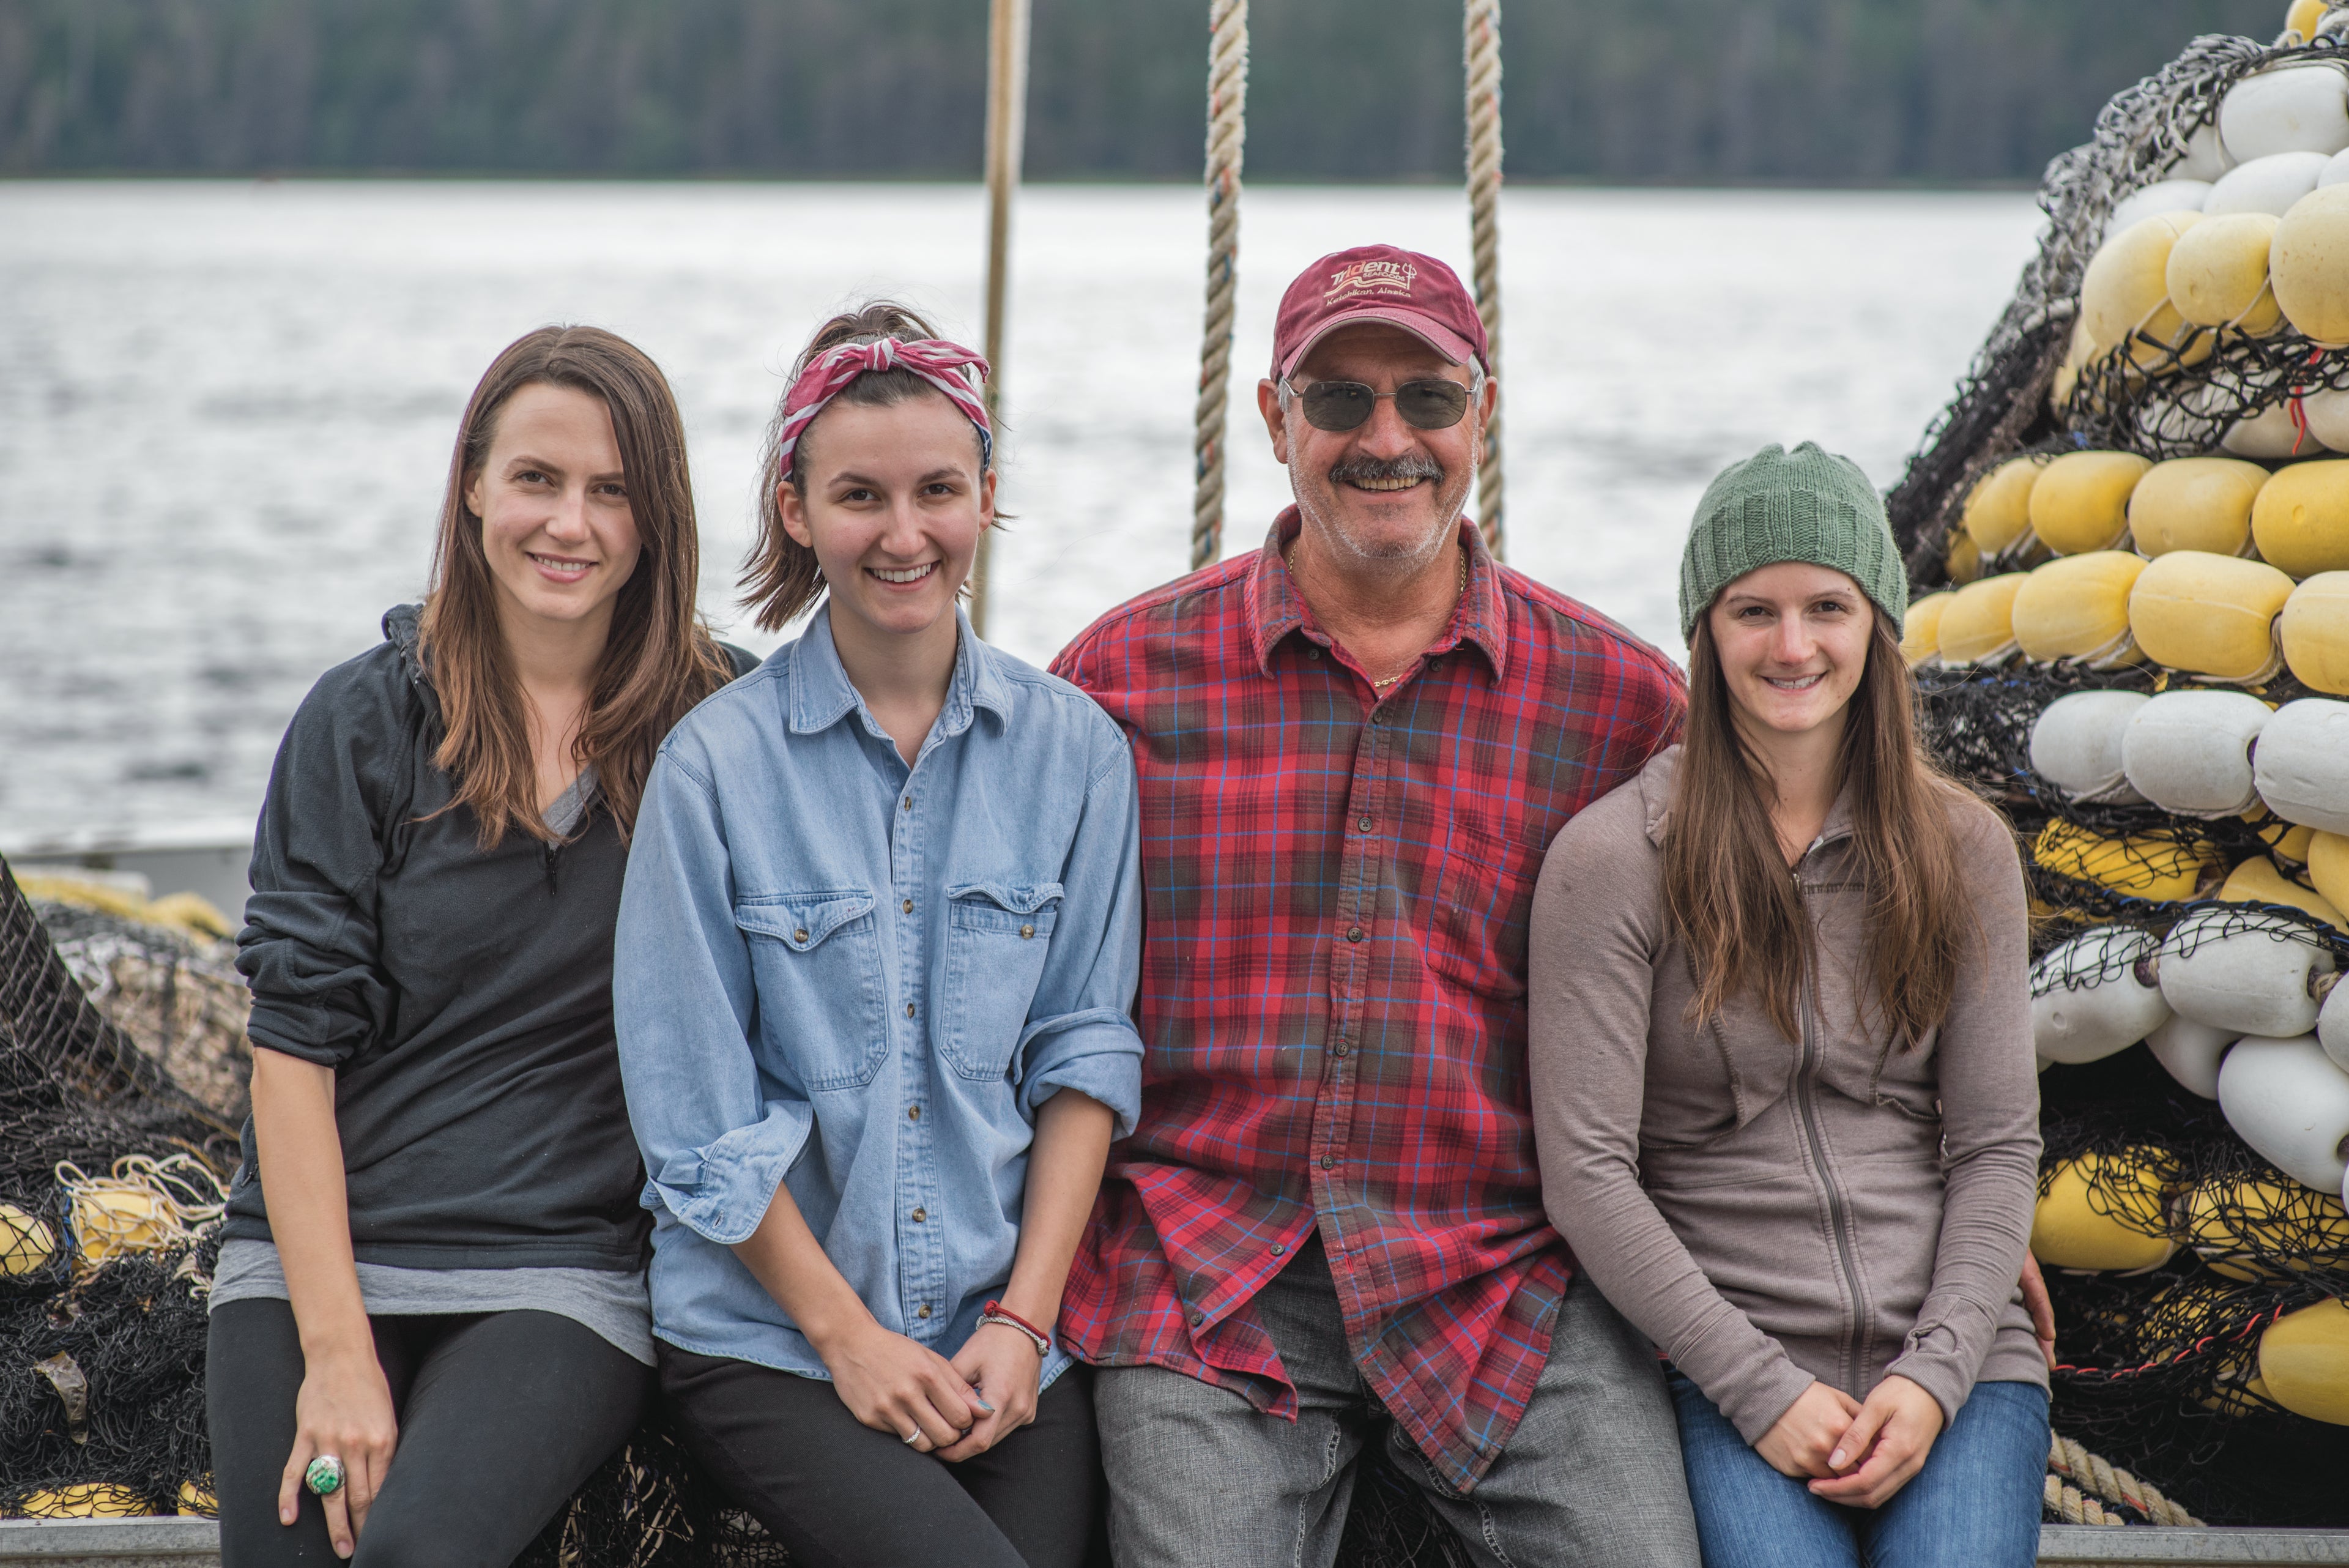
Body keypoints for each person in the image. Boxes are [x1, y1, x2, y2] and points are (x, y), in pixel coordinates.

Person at [1048, 245, 1699, 1566]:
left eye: (1429, 396)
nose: (1387, 437)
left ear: (1484, 414)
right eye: (1339, 400)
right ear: (1274, 421)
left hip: (1503, 1269)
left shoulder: (1627, 706)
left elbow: (1750, 987)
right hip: (1209, 1275)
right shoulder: (1115, 681)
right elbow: (1008, 985)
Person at [208, 325, 753, 1566]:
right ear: (473, 487)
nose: (570, 522)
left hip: (559, 1269)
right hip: (316, 1261)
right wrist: (336, 1355)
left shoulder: (720, 726)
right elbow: (291, 1049)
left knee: (415, 1553)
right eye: (536, 479)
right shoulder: (367, 716)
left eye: (612, 490)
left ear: (656, 516)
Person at [612, 303, 1143, 1568]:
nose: (904, 534)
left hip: (1003, 1331)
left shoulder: (1078, 755)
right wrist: (849, 1340)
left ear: (987, 496)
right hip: (772, 1339)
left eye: (938, 491)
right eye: (860, 495)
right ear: (797, 509)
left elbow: (1084, 1060)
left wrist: (1022, 1324)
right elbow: (698, 1123)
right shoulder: (713, 770)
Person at [1528, 443, 2049, 1568]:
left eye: (1828, 606)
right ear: (1705, 634)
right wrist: (1759, 1387)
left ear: (1878, 626)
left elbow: (2000, 1145)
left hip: (1954, 1357)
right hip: (1721, 1358)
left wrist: (1936, 1372)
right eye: (1751, 610)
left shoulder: (1963, 850)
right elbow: (1588, 1175)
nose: (1793, 645)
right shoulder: (1615, 860)